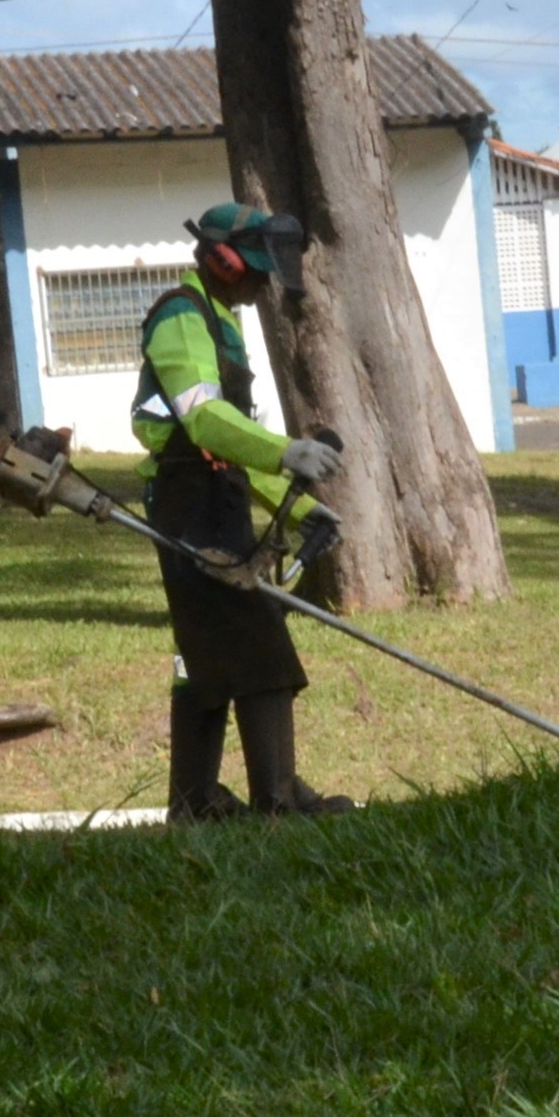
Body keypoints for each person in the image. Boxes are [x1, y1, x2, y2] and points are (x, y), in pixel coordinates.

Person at [134, 201, 351, 821]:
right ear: (224, 259)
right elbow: (201, 419)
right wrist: (289, 451)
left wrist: (302, 507)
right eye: (257, 270)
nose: (262, 286)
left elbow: (228, 442)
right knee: (261, 650)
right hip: (185, 505)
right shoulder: (181, 315)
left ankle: (194, 802)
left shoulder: (221, 322)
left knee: (203, 660)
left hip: (216, 495)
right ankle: (278, 803)